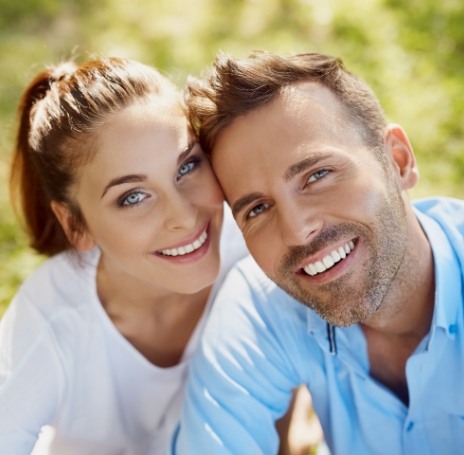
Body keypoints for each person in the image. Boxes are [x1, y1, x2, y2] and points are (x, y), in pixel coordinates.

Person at [170, 50, 464, 454]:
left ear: (397, 161)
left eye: (317, 175)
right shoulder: (261, 309)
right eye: (257, 209)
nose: (296, 230)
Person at [0, 56, 250, 455]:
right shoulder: (50, 320)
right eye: (133, 197)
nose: (184, 218)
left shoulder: (252, 248)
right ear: (75, 226)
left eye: (187, 166)